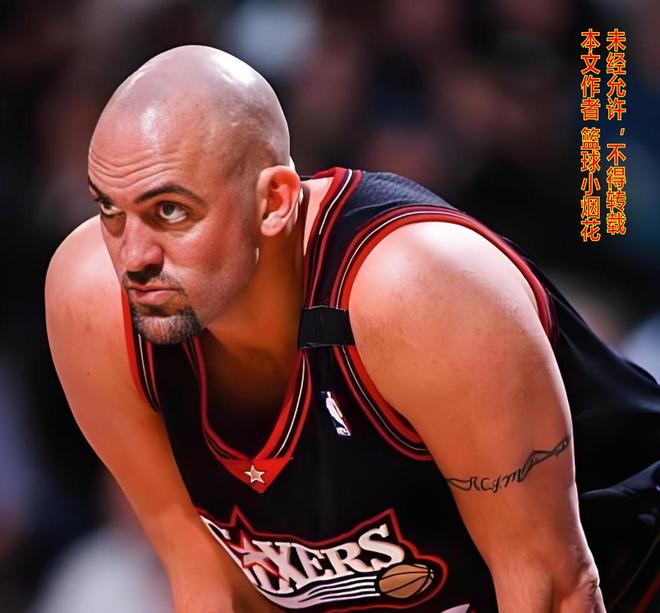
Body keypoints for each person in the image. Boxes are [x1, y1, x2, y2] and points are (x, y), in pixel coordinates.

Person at [45, 45, 660, 613]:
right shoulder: (94, 302)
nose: (133, 257)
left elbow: (556, 586)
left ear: (275, 201)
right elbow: (212, 585)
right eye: (109, 209)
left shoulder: (416, 289)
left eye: (170, 211)